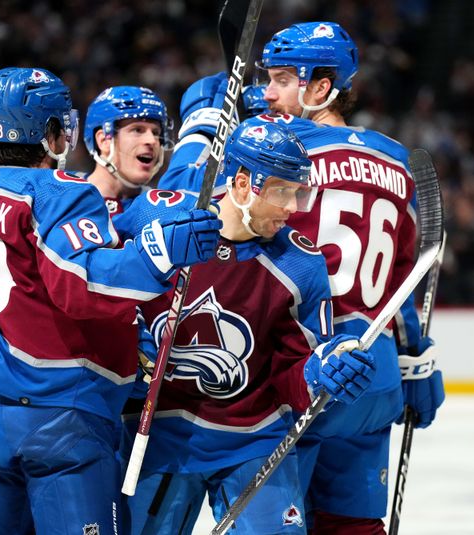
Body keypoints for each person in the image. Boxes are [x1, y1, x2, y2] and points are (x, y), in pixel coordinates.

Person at [0, 66, 222, 535]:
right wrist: (161, 253)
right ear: (54, 131)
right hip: (58, 418)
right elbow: (84, 285)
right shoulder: (62, 193)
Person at [160, 21, 445, 534]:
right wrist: (416, 360)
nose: (268, 91)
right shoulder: (396, 160)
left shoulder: (282, 150)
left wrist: (204, 125)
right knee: (353, 525)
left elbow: (183, 202)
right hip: (376, 370)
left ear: (321, 87)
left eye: (284, 78)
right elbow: (404, 282)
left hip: (308, 370)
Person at [116, 118, 379, 534]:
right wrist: (125, 340)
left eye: (298, 192)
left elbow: (294, 372)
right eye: (282, 191)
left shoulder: (301, 264)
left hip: (251, 439)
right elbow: (97, 282)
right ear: (241, 183)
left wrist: (320, 370)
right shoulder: (157, 216)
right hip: (159, 435)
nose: (293, 207)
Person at [83, 85, 173, 217]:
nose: (153, 141)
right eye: (137, 130)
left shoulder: (162, 209)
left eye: (156, 132)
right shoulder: (67, 201)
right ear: (104, 141)